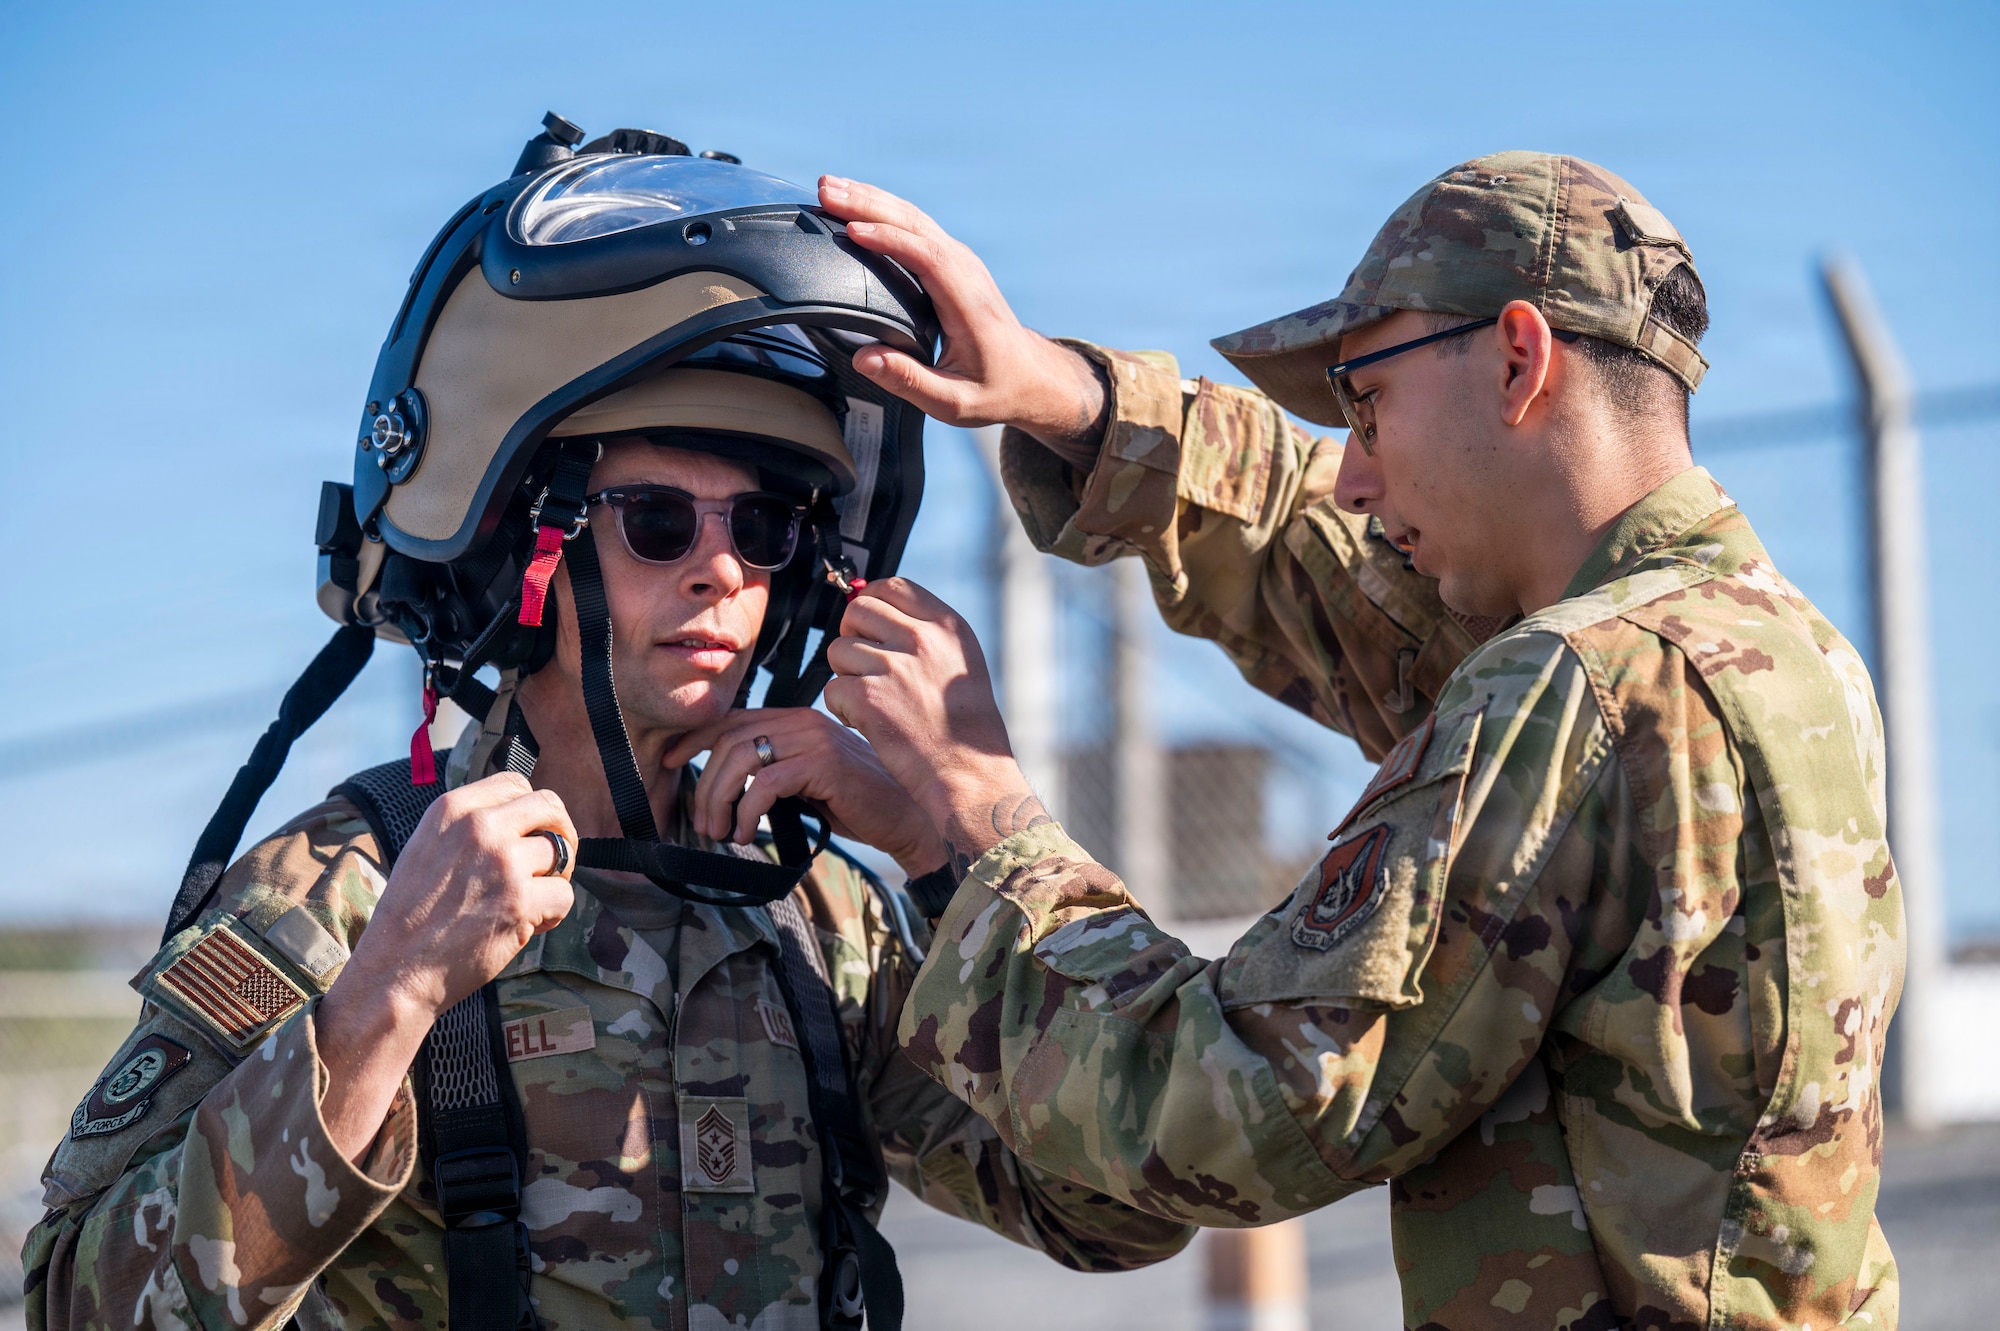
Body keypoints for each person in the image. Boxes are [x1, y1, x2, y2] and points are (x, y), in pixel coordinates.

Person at [23, 123, 1191, 1331]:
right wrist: (384, 998)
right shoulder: (350, 892)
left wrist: (949, 846)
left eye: (765, 526)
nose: (721, 572)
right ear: (533, 553)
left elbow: (1119, 1206)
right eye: (654, 521)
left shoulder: (817, 917)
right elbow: (76, 1305)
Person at [814, 152, 1904, 1328]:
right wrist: (1073, 400)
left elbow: (1233, 1109)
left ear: (1518, 358)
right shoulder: (1760, 643)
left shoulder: (1573, 688)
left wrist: (980, 814)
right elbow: (1359, 594)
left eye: (1364, 400)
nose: (1352, 470)